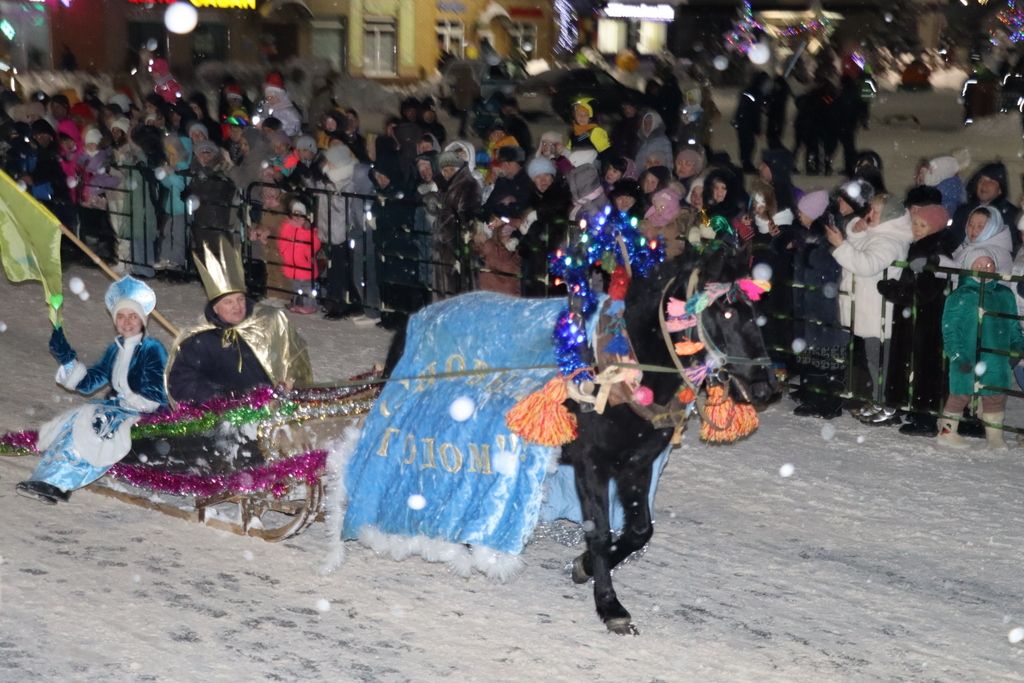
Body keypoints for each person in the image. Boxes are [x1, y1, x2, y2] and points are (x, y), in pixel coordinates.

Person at [16, 277, 168, 504]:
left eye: (132, 316)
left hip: (145, 411)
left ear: (142, 320)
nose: (127, 322)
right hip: (117, 409)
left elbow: (156, 394)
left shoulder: (152, 348)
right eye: (121, 316)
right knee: (75, 419)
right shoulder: (114, 349)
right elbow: (89, 382)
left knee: (98, 424)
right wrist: (67, 358)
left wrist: (126, 404)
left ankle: (59, 481)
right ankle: (49, 479)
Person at [165, 239, 313, 405]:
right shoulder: (201, 340)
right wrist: (220, 397)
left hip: (271, 411)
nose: (237, 307)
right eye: (228, 302)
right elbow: (180, 382)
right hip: (225, 419)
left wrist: (289, 383)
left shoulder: (267, 323)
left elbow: (294, 359)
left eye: (240, 299)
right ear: (215, 308)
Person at [877, 203, 952, 436]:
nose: (917, 229)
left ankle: (925, 417)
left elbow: (922, 292)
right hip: (916, 320)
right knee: (915, 364)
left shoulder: (933, 254)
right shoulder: (920, 248)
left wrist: (891, 290)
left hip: (926, 321)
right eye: (915, 224)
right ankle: (914, 409)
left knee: (926, 367)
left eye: (922, 225)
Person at [938, 248, 1024, 449]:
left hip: (995, 357)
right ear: (968, 268)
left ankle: (994, 436)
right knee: (960, 394)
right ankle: (947, 432)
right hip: (967, 354)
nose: (984, 268)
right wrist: (957, 356)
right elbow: (950, 329)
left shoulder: (1004, 295)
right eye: (978, 265)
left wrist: (1017, 348)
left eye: (988, 265)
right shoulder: (960, 295)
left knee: (995, 396)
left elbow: (1013, 326)